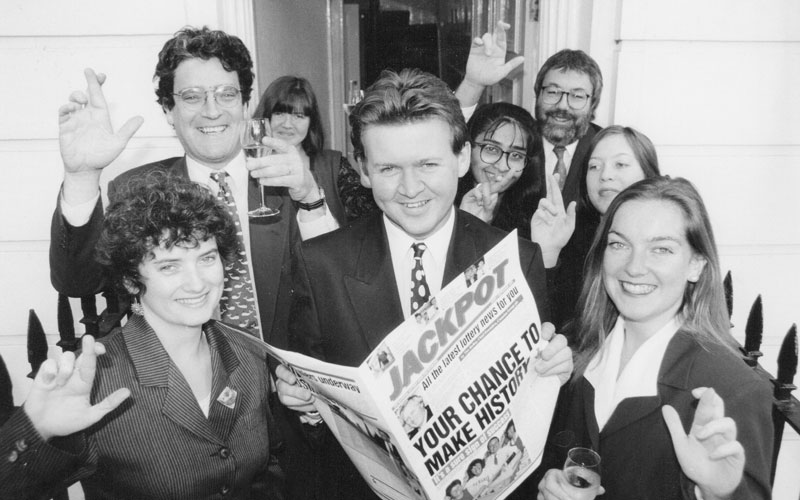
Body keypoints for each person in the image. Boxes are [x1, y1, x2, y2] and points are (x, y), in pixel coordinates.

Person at [275, 68, 573, 500]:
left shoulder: (516, 259)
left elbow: (529, 419)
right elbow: (314, 437)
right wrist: (306, 409)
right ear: (363, 169)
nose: (410, 188)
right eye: (389, 168)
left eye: (428, 164)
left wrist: (551, 373)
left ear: (463, 159)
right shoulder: (320, 264)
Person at [51, 27, 341, 346]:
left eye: (226, 94)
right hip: (190, 387)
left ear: (245, 104)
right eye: (192, 96)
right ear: (168, 111)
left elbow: (335, 288)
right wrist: (81, 177)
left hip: (286, 385)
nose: (212, 110)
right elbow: (78, 283)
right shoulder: (139, 189)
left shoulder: (291, 181)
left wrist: (310, 199)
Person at [1, 175, 279, 499]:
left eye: (207, 258)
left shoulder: (248, 352)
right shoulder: (96, 378)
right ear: (132, 281)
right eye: (169, 267)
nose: (197, 283)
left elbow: (266, 472)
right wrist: (36, 429)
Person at [536, 176, 773, 500]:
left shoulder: (732, 389)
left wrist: (717, 493)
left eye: (660, 249)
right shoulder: (580, 356)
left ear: (696, 265)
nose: (634, 266)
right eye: (619, 244)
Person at [455, 22, 603, 207]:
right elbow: (451, 136)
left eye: (577, 96)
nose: (563, 105)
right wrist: (473, 83)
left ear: (593, 103)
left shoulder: (604, 149)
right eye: (553, 92)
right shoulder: (517, 140)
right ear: (537, 94)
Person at [532, 126, 661, 331]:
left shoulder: (666, 240)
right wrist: (548, 254)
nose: (605, 175)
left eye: (620, 164)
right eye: (594, 167)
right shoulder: (573, 237)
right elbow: (549, 328)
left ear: (648, 174)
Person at [253, 75, 356, 225]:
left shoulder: (335, 166)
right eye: (279, 113)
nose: (287, 124)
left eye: (299, 116)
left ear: (311, 123)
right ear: (266, 116)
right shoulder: (249, 170)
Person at [456, 102, 545, 239]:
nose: (502, 167)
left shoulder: (535, 218)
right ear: (468, 148)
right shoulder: (443, 204)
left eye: (516, 155)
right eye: (491, 149)